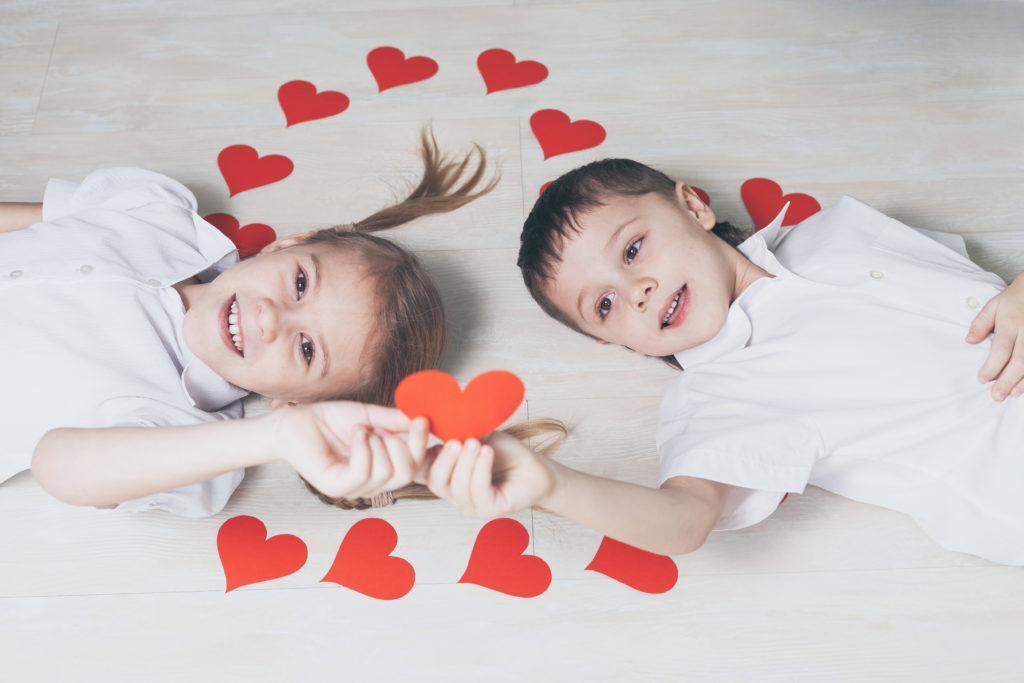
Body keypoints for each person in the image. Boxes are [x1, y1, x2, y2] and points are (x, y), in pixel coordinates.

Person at [416, 158, 1024, 566]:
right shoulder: (719, 397)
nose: (638, 290)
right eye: (605, 304)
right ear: (612, 341)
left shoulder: (836, 230)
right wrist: (552, 485)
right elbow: (684, 519)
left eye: (632, 249)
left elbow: (973, 284)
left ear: (694, 207)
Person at [1, 128, 496, 517]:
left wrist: (280, 436)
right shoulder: (156, 211)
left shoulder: (184, 430)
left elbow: (58, 466)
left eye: (307, 349)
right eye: (300, 283)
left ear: (295, 402)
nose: (270, 317)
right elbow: (35, 221)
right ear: (288, 243)